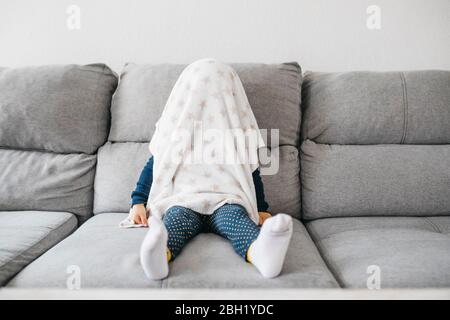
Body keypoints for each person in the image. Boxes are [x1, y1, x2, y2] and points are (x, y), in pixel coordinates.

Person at [128, 58, 293, 280]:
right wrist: (138, 201)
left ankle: (261, 252)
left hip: (226, 200)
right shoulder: (175, 131)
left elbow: (251, 171)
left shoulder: (236, 132)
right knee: (175, 221)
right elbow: (156, 165)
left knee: (237, 220)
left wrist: (261, 207)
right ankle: (159, 254)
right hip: (183, 200)